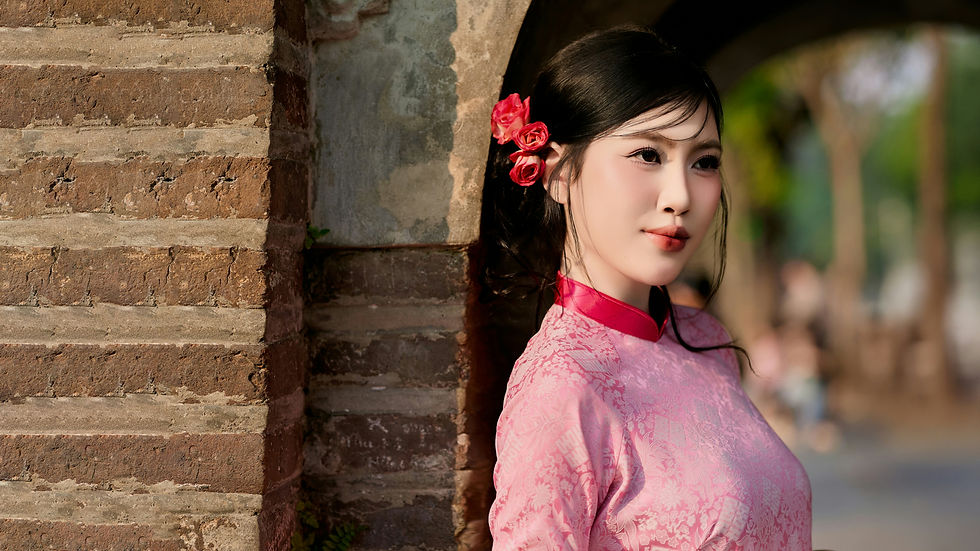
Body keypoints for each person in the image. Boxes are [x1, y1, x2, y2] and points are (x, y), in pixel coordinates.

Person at [485, 26, 812, 549]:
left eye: (704, 162)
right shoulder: (563, 390)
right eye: (647, 155)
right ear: (556, 173)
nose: (681, 195)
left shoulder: (704, 340)